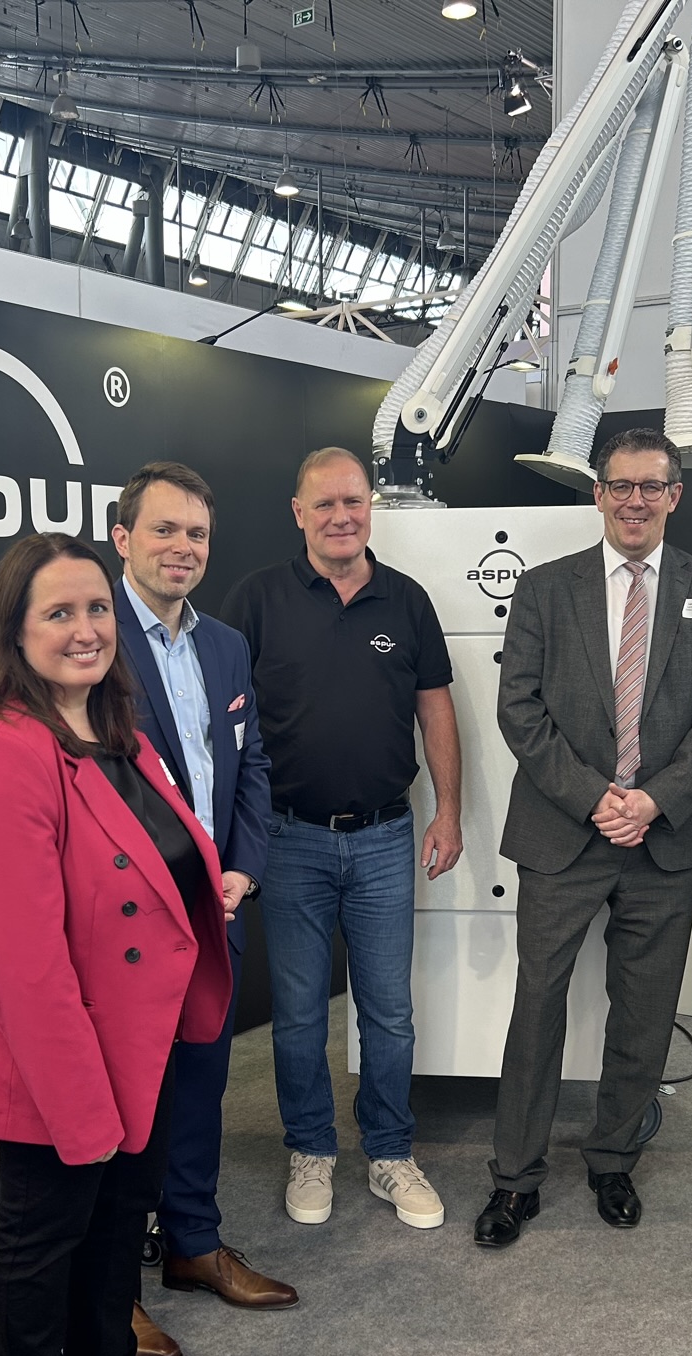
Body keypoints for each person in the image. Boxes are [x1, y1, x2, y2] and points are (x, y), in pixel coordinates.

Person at [0, 533, 233, 1356]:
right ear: (15, 631)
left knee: (117, 1218)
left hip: (136, 1035)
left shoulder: (112, 730)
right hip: (50, 1045)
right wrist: (77, 1093)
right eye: (58, 613)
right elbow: (19, 961)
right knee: (43, 1230)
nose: (86, 629)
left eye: (97, 608)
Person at [473, 427, 692, 1248]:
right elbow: (519, 708)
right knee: (537, 1006)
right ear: (598, 495)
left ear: (674, 495)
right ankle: (514, 1177)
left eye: (651, 486)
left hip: (664, 840)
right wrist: (598, 798)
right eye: (620, 485)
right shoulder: (544, 588)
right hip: (563, 832)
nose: (635, 500)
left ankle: (614, 1158)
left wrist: (652, 801)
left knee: (645, 1011)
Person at [223, 446, 463, 1231]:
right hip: (289, 838)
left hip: (386, 838)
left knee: (388, 1011)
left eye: (353, 501)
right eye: (324, 504)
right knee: (297, 1014)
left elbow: (435, 709)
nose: (340, 516)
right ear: (299, 513)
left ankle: (390, 1153)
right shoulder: (257, 600)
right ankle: (311, 1150)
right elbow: (226, 720)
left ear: (370, 509)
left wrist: (449, 811)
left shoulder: (407, 601)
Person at [109, 462, 293, 1356]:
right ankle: (113, 1288)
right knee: (124, 1105)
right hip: (129, 922)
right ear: (122, 539)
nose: (183, 548)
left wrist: (243, 869)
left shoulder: (223, 645)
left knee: (201, 1085)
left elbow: (249, 765)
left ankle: (192, 1242)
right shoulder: (89, 639)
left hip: (216, 913)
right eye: (165, 530)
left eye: (197, 534)